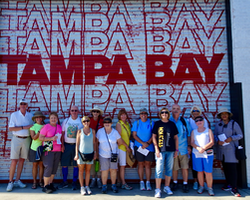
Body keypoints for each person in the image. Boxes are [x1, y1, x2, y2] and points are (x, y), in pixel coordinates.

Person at [96, 117, 130, 194]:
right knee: (104, 171)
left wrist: (127, 147)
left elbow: (120, 141)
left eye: (108, 122)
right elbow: (96, 142)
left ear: (111, 123)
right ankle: (104, 186)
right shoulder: (100, 132)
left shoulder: (115, 132)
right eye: (105, 122)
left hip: (113, 155)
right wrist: (96, 152)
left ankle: (113, 185)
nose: (107, 124)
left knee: (113, 170)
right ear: (103, 124)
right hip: (103, 154)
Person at [214, 108, 243, 197]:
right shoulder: (218, 125)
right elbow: (214, 135)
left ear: (228, 115)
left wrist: (231, 138)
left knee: (232, 169)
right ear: (220, 116)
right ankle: (228, 184)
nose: (224, 115)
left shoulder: (234, 124)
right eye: (222, 114)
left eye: (225, 114)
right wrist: (217, 141)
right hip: (222, 150)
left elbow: (240, 135)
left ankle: (234, 187)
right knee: (225, 168)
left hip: (231, 150)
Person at [6, 98, 33, 192]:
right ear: (19, 105)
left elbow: (33, 127)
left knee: (21, 160)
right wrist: (24, 127)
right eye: (21, 104)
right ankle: (10, 182)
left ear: (27, 106)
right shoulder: (14, 115)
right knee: (14, 160)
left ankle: (17, 180)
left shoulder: (30, 115)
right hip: (16, 139)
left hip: (27, 139)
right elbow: (11, 128)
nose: (23, 105)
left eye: (24, 104)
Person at [152, 108, 179, 198]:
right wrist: (156, 148)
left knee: (169, 169)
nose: (164, 114)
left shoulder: (172, 124)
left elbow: (176, 138)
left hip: (171, 150)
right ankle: (158, 189)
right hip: (160, 151)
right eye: (162, 112)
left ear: (168, 114)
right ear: (160, 114)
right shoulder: (157, 124)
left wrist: (176, 150)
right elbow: (154, 136)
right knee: (159, 170)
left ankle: (167, 187)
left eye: (166, 112)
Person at [58, 105, 83, 190]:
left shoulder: (81, 121)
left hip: (77, 146)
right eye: (72, 110)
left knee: (76, 165)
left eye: (75, 110)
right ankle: (65, 181)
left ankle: (74, 182)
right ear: (70, 111)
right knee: (64, 164)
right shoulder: (66, 121)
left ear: (78, 111)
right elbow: (62, 134)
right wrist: (62, 145)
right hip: (67, 145)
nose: (74, 112)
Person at [169, 104, 191, 193]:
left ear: (180, 111)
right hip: (172, 149)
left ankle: (185, 183)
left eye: (177, 109)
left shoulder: (184, 121)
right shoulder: (169, 121)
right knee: (174, 167)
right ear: (171, 110)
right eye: (174, 109)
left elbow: (189, 134)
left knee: (185, 167)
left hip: (184, 148)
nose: (176, 110)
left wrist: (189, 146)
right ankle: (175, 182)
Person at [39, 112, 63, 194]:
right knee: (48, 167)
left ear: (57, 119)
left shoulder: (59, 127)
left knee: (54, 167)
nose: (53, 119)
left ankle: (50, 183)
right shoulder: (46, 127)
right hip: (48, 148)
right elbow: (40, 138)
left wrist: (62, 146)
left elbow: (61, 137)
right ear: (49, 119)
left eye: (55, 118)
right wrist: (51, 138)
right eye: (52, 118)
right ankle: (45, 186)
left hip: (58, 149)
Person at [191, 116, 214, 196]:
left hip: (207, 154)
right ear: (195, 123)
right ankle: (201, 186)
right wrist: (198, 148)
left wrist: (203, 148)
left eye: (200, 120)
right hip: (197, 154)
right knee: (199, 171)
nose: (199, 122)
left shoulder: (208, 130)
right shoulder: (194, 131)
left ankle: (210, 188)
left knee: (208, 172)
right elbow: (192, 142)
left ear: (203, 121)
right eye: (197, 121)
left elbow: (212, 142)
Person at [132, 108, 154, 191]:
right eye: (141, 113)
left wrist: (147, 143)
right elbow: (134, 135)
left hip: (149, 148)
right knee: (140, 164)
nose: (143, 115)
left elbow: (153, 135)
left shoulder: (151, 122)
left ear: (147, 115)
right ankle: (141, 182)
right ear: (140, 115)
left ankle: (148, 182)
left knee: (148, 165)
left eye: (145, 113)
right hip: (139, 147)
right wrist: (142, 143)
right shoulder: (136, 123)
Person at [188, 105, 209, 190]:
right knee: (194, 166)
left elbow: (207, 132)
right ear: (191, 113)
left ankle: (204, 183)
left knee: (204, 166)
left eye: (197, 111)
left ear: (200, 112)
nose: (195, 112)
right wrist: (189, 146)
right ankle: (196, 182)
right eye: (194, 111)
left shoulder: (204, 121)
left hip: (203, 146)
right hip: (194, 146)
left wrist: (205, 147)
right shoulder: (188, 121)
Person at [74, 116, 96, 195]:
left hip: (90, 154)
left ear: (89, 122)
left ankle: (87, 186)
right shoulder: (79, 131)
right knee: (81, 171)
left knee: (88, 171)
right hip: (81, 154)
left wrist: (95, 153)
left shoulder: (93, 131)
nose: (86, 122)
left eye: (87, 121)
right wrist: (76, 154)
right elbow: (77, 144)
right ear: (82, 123)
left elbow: (94, 143)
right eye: (84, 121)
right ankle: (82, 187)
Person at [116, 109, 133, 190]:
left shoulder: (127, 124)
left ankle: (119, 181)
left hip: (126, 148)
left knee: (121, 166)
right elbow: (119, 138)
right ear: (119, 116)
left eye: (124, 114)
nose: (123, 116)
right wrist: (126, 146)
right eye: (121, 115)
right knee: (122, 166)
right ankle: (123, 183)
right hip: (121, 148)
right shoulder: (119, 124)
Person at [29, 111, 46, 189]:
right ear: (35, 119)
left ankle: (40, 181)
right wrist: (40, 131)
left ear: (42, 118)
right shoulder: (33, 127)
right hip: (34, 148)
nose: (38, 119)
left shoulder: (45, 126)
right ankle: (34, 182)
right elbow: (34, 137)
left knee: (41, 165)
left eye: (40, 117)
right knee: (35, 165)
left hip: (42, 148)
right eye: (37, 117)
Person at [89, 107, 104, 189]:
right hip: (90, 144)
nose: (95, 113)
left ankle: (99, 179)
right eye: (94, 111)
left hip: (100, 145)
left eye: (97, 112)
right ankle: (93, 179)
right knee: (92, 162)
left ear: (99, 113)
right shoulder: (89, 120)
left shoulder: (102, 121)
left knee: (99, 162)